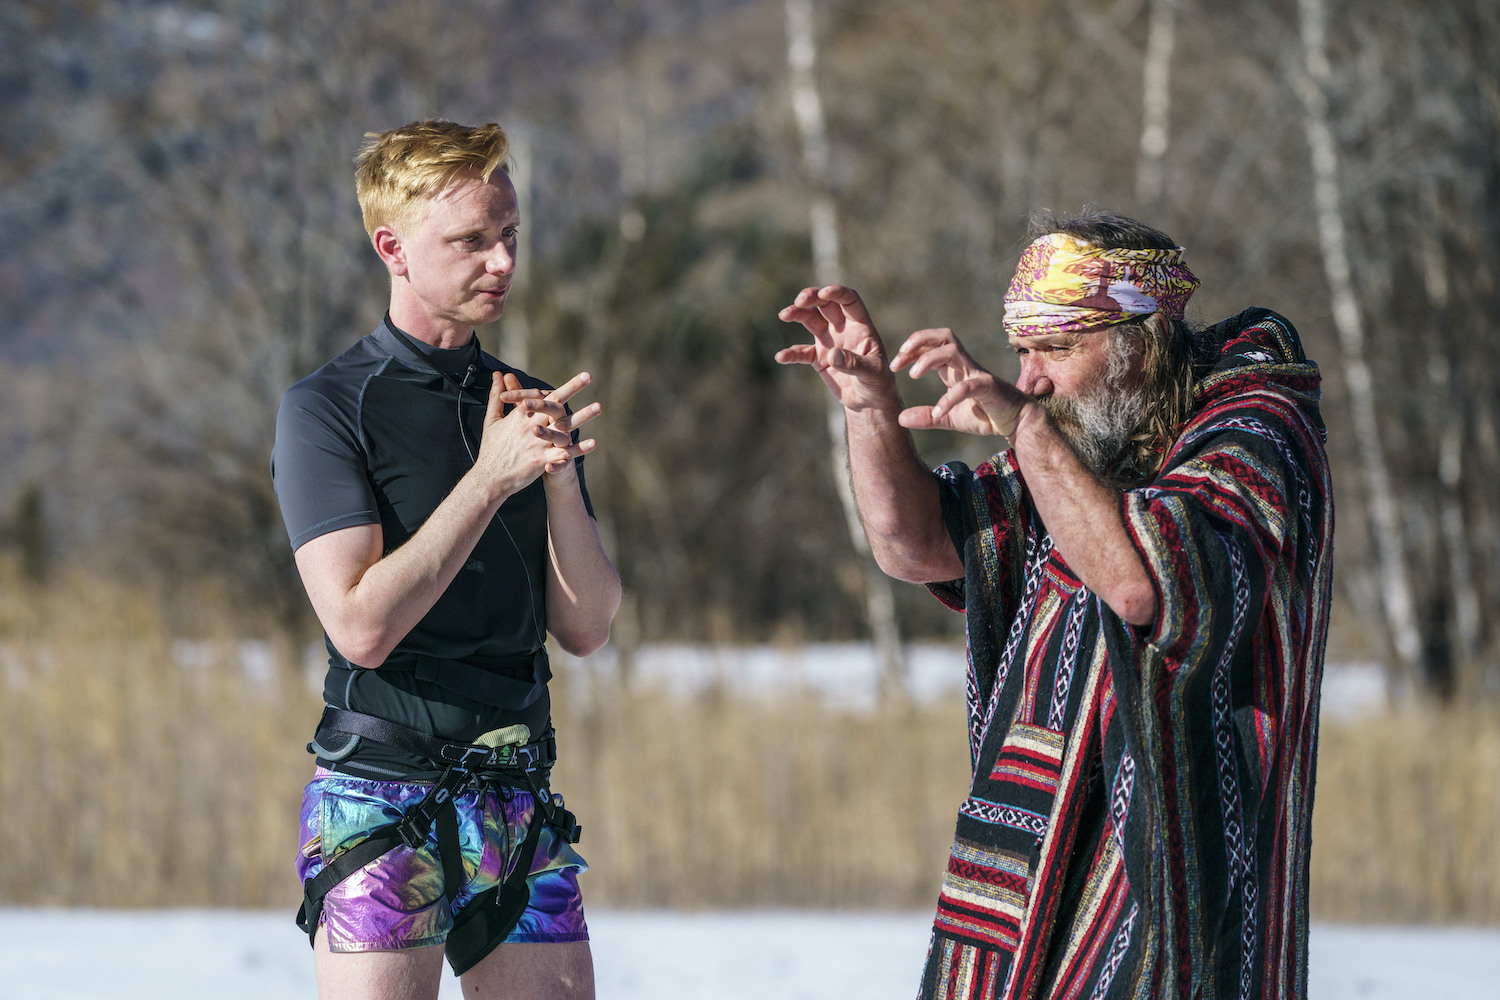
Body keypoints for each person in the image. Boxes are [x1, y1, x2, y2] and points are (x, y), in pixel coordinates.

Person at [777, 212, 1333, 1000]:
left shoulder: (1254, 431)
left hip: (1185, 896)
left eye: (1057, 349)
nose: (1030, 378)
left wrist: (1026, 429)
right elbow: (917, 545)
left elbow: (1145, 581)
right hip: (1029, 892)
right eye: (1022, 353)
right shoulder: (1084, 441)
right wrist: (869, 404)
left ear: (1139, 342)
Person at [271, 119, 620, 1000]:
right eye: (471, 241)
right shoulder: (327, 410)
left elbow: (585, 626)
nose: (502, 262)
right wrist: (490, 479)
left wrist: (558, 478)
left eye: (509, 237)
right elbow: (360, 626)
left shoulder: (525, 402)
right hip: (382, 800)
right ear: (392, 247)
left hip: (519, 798)